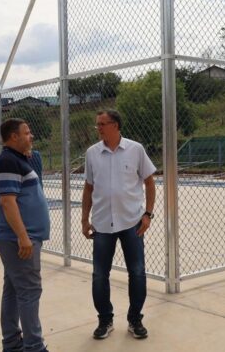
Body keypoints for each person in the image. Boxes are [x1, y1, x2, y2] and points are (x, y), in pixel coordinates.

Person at [81, 109, 156, 340]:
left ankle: (135, 319)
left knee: (137, 272)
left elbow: (150, 182)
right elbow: (88, 188)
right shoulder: (92, 153)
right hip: (103, 224)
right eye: (97, 125)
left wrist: (148, 214)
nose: (99, 128)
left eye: (103, 124)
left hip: (132, 222)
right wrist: (84, 219)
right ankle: (105, 320)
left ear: (116, 125)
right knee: (99, 275)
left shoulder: (135, 149)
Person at [0, 118, 50, 352]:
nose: (31, 136)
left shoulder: (16, 159)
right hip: (19, 239)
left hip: (19, 237)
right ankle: (34, 346)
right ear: (14, 136)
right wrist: (23, 237)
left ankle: (12, 342)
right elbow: (7, 202)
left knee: (14, 289)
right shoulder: (7, 162)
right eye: (27, 133)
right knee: (29, 291)